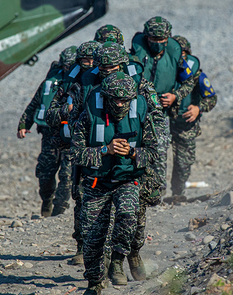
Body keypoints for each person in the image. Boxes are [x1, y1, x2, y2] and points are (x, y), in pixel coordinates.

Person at [71, 72, 158, 294]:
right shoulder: (88, 115)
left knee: (128, 216)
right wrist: (104, 150)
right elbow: (76, 154)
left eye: (125, 100)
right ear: (106, 97)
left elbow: (153, 153)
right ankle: (95, 282)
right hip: (96, 184)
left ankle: (118, 259)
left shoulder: (140, 113)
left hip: (127, 179)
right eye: (116, 99)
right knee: (91, 240)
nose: (120, 103)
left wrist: (132, 152)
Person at [45, 40, 101, 265]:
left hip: (103, 147)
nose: (88, 64)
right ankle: (82, 247)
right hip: (77, 148)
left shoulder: (107, 82)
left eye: (92, 60)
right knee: (79, 197)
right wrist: (64, 110)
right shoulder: (70, 83)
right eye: (83, 61)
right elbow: (50, 114)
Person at [130, 16, 194, 197]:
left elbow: (189, 81)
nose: (157, 44)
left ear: (167, 39)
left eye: (161, 40)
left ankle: (158, 191)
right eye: (153, 40)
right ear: (146, 37)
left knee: (159, 148)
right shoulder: (136, 52)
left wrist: (175, 96)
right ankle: (136, 188)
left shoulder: (175, 54)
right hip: (137, 108)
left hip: (161, 110)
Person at [17, 46, 77, 217]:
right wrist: (23, 125)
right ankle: (47, 202)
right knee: (45, 173)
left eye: (70, 66)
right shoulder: (50, 81)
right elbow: (35, 104)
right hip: (50, 134)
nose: (67, 69)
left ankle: (58, 211)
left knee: (67, 176)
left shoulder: (81, 82)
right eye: (64, 65)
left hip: (71, 137)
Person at [166, 35, 217, 200]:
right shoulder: (163, 71)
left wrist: (198, 108)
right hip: (163, 120)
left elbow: (211, 98)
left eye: (184, 54)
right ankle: (155, 196)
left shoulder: (197, 74)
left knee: (184, 161)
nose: (181, 57)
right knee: (156, 158)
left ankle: (177, 194)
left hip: (185, 123)